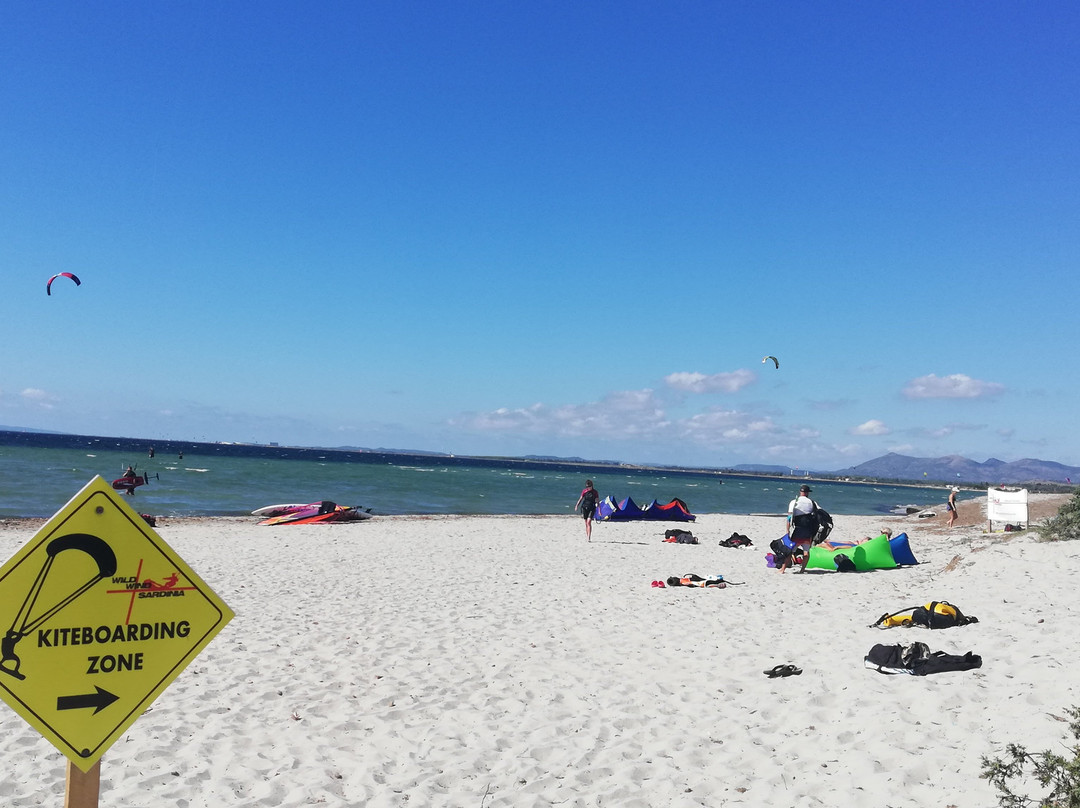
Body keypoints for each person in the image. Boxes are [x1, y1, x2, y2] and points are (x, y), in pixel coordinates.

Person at [780, 484, 820, 572]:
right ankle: (802, 569)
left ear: (800, 492)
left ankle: (782, 569)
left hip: (798, 529)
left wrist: (787, 531)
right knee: (806, 551)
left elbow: (789, 517)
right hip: (808, 530)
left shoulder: (794, 502)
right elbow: (819, 514)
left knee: (790, 551)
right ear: (808, 493)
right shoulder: (812, 502)